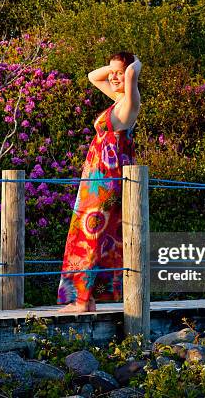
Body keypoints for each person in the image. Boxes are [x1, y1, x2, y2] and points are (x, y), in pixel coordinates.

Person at [57, 51, 142, 312]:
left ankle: (81, 301)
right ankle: (87, 299)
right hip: (95, 179)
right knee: (86, 236)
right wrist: (115, 68)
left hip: (108, 181)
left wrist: (134, 65)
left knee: (93, 238)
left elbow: (129, 75)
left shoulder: (130, 103)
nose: (114, 76)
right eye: (112, 72)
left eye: (120, 72)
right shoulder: (117, 100)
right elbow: (93, 76)